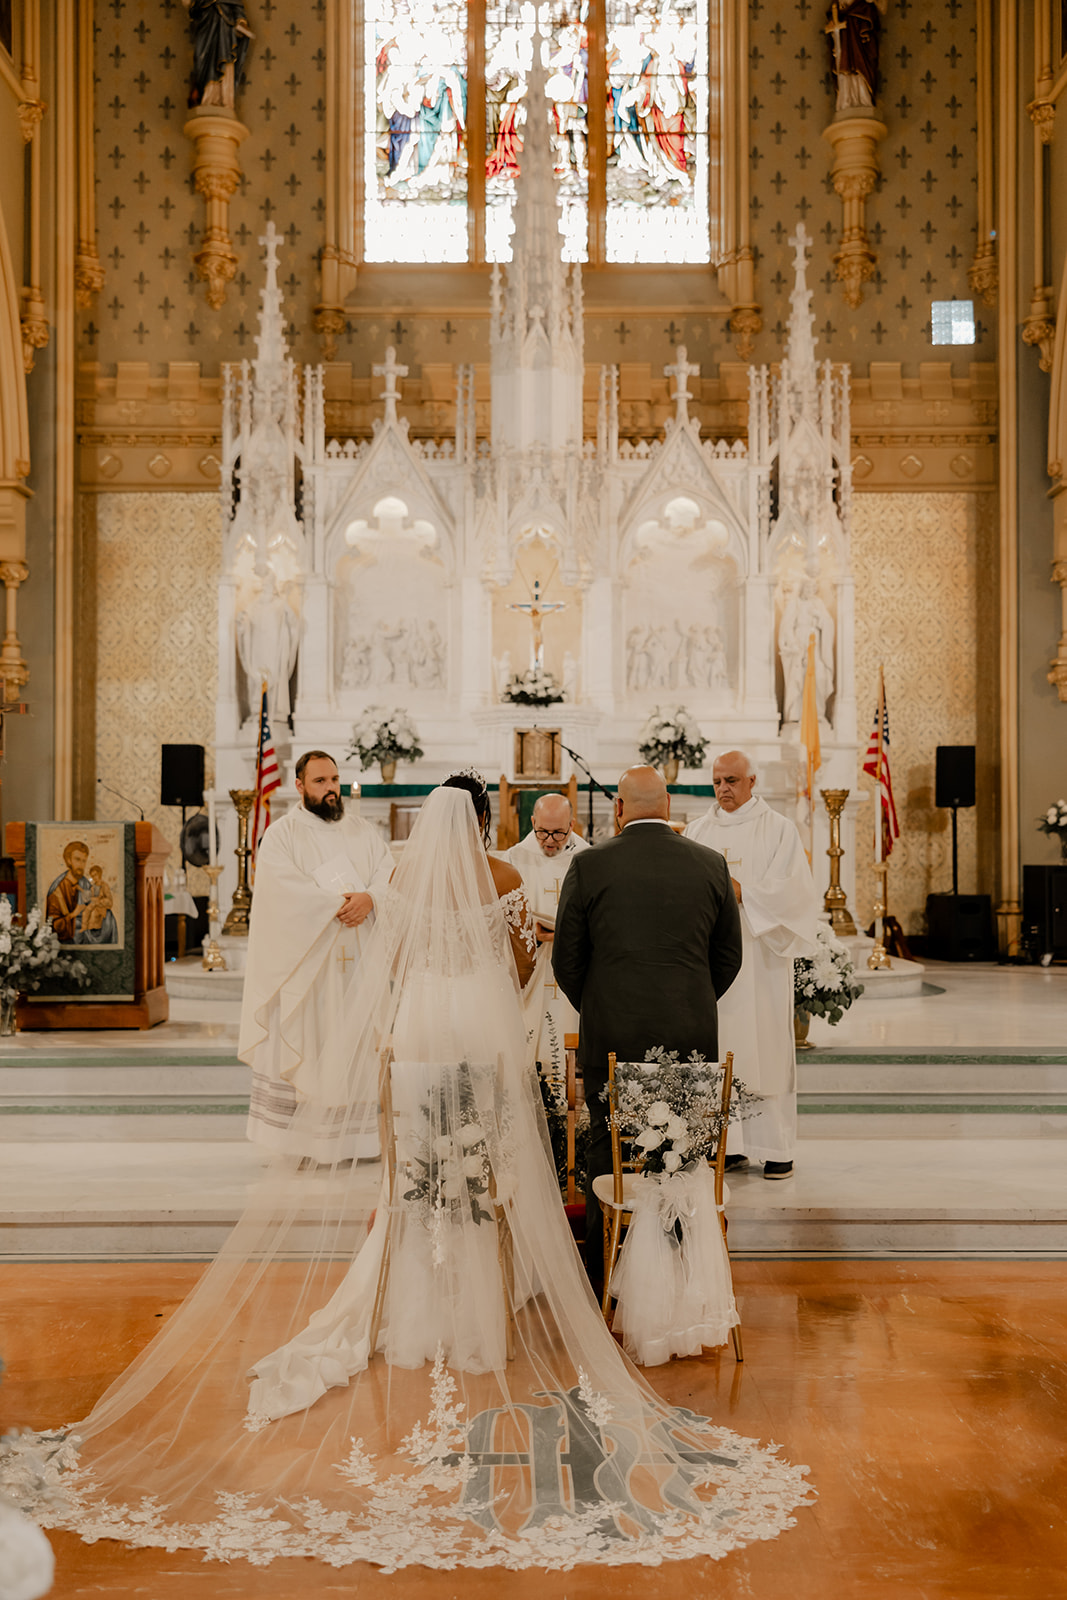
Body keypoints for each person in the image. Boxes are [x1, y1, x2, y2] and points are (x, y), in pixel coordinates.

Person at [1, 772, 811, 1572]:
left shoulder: (400, 875)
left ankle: (418, 1301)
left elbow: (405, 966)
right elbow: (547, 965)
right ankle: (527, 1298)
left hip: (424, 1019)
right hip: (501, 1024)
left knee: (423, 1163)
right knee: (496, 1158)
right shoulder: (509, 874)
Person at [551, 765, 744, 1277]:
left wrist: (600, 1006)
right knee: (682, 1152)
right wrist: (692, 1002)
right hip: (690, 1034)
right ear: (669, 805)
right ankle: (680, 1268)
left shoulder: (589, 864)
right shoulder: (711, 864)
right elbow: (728, 958)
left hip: (612, 1034)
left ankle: (603, 1274)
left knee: (607, 1150)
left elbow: (566, 960)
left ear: (618, 808)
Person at [240, 749, 393, 1162]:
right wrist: (337, 906)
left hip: (359, 964)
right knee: (312, 1040)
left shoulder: (363, 831)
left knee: (355, 1047)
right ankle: (301, 1144)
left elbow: (387, 874)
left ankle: (356, 1142)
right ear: (300, 786)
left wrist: (371, 898)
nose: (330, 789)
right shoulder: (282, 834)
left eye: (334, 780)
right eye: (320, 781)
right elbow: (279, 892)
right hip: (308, 968)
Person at [684, 749, 820, 1179]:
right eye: (718, 781)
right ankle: (731, 1145)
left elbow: (797, 893)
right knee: (721, 1049)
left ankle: (776, 1146)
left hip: (760, 960)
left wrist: (744, 892)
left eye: (732, 781)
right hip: (711, 964)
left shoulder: (778, 830)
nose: (723, 789)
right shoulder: (696, 831)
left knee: (765, 1050)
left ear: (752, 782)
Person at [503, 792, 589, 1093]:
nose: (549, 840)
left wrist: (569, 932)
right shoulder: (514, 858)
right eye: (542, 831)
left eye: (559, 832)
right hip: (532, 964)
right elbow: (501, 915)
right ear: (532, 823)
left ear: (572, 824)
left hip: (574, 965)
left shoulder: (588, 857)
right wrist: (530, 931)